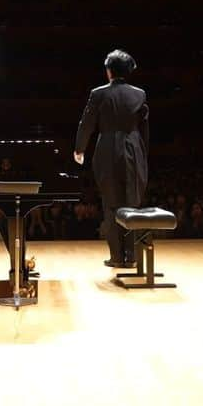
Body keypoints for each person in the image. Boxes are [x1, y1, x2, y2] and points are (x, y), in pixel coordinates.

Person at [74, 49, 149, 268]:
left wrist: (80, 148)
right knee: (132, 201)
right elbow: (144, 128)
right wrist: (142, 154)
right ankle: (132, 256)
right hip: (133, 148)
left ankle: (117, 257)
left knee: (110, 204)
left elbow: (86, 123)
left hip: (106, 148)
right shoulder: (140, 94)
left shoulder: (98, 93)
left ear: (109, 71)